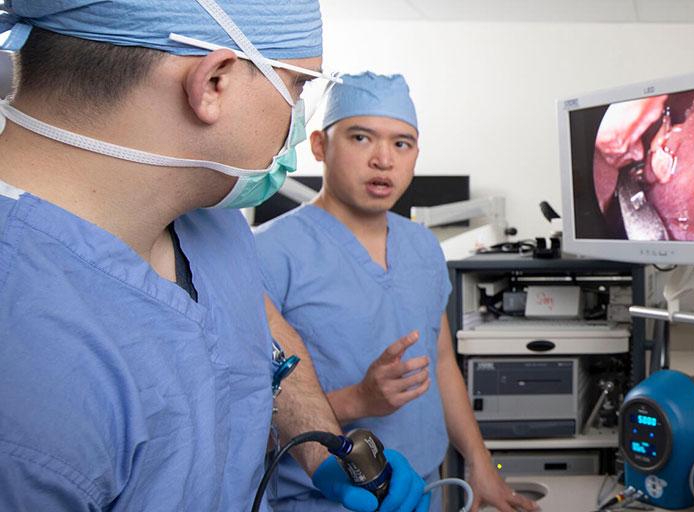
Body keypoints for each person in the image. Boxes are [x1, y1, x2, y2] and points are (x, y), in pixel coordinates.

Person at [0, 2, 426, 511]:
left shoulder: (212, 219)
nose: (296, 113)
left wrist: (323, 452)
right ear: (213, 83)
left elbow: (262, 341)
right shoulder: (24, 348)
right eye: (298, 87)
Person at [255, 72, 539, 512]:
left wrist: (480, 463)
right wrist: (358, 400)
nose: (383, 159)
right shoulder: (269, 253)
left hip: (427, 491)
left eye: (401, 143)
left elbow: (442, 361)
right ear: (318, 146)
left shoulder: (422, 245)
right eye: (361, 138)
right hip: (325, 498)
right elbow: (247, 412)